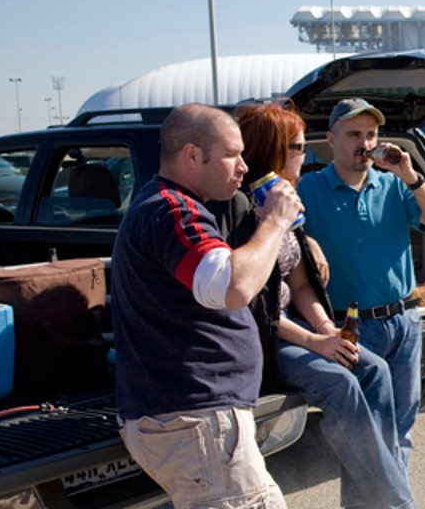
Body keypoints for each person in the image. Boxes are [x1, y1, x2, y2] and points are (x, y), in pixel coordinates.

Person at [209, 102, 414, 508]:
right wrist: (314, 341)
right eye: (299, 147)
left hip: (296, 326)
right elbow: (250, 304)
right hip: (261, 338)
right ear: (274, 150)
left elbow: (300, 284)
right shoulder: (241, 208)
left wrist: (326, 330)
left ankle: (370, 502)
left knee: (373, 369)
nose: (307, 154)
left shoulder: (286, 199)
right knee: (340, 384)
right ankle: (395, 503)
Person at [112, 103, 301, 508]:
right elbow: (232, 286)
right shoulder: (172, 209)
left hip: (197, 417)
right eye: (232, 154)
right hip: (197, 416)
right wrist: (276, 222)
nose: (244, 167)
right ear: (192, 155)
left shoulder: (172, 205)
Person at [296, 98, 425, 472]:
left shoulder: (394, 186)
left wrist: (410, 175)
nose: (365, 143)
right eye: (354, 134)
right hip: (353, 329)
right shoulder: (310, 188)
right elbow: (284, 237)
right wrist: (308, 240)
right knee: (366, 431)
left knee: (402, 425)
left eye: (371, 134)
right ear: (331, 140)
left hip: (404, 322)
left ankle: (391, 496)